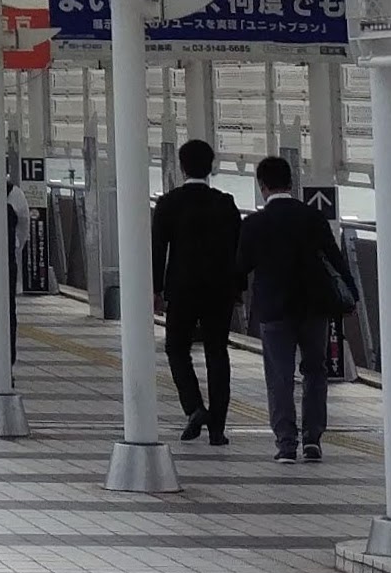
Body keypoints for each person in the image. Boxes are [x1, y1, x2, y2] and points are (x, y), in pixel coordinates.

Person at [245, 156, 357, 461]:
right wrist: (352, 295)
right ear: (291, 183)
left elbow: (241, 265)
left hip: (274, 310)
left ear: (262, 186)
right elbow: (334, 258)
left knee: (279, 376)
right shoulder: (313, 218)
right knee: (315, 371)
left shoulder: (255, 223)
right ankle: (312, 439)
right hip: (314, 307)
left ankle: (286, 444)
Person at [147, 139, 250, 445]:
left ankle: (194, 407)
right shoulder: (226, 203)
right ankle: (218, 427)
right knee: (217, 352)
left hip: (182, 289)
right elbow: (238, 248)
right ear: (212, 166)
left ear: (181, 167)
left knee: (176, 349)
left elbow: (157, 249)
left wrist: (155, 289)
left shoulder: (169, 204)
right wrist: (238, 287)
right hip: (219, 290)